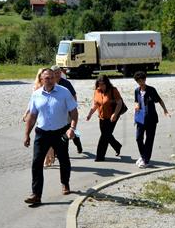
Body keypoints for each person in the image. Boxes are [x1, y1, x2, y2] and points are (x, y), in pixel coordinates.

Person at [22, 68, 78, 207]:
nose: (50, 80)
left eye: (52, 77)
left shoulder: (64, 92)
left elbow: (74, 112)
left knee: (64, 159)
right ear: (41, 80)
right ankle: (36, 195)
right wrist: (27, 134)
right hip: (42, 133)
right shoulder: (36, 95)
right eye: (47, 78)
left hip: (61, 132)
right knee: (36, 162)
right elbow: (33, 115)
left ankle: (65, 183)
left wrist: (72, 128)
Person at [133, 71, 170, 168]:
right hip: (140, 118)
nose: (141, 82)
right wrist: (136, 106)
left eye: (142, 80)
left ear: (145, 79)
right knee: (138, 138)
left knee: (149, 140)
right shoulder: (137, 90)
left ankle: (145, 161)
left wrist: (165, 110)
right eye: (139, 81)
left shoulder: (151, 90)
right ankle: (143, 156)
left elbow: (159, 100)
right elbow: (136, 101)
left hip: (151, 119)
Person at [86, 74, 124, 161]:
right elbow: (96, 104)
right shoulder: (97, 91)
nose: (101, 86)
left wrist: (115, 114)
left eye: (103, 84)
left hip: (112, 117)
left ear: (107, 83)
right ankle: (117, 146)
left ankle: (100, 156)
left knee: (104, 136)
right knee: (107, 135)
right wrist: (90, 114)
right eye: (99, 84)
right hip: (102, 117)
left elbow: (119, 103)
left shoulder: (113, 90)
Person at [52, 65, 83, 154]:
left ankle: (78, 143)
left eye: (58, 73)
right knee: (58, 131)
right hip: (57, 112)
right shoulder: (51, 84)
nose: (57, 75)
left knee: (72, 129)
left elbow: (74, 96)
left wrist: (72, 108)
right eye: (55, 73)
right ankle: (60, 151)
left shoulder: (66, 83)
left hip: (68, 111)